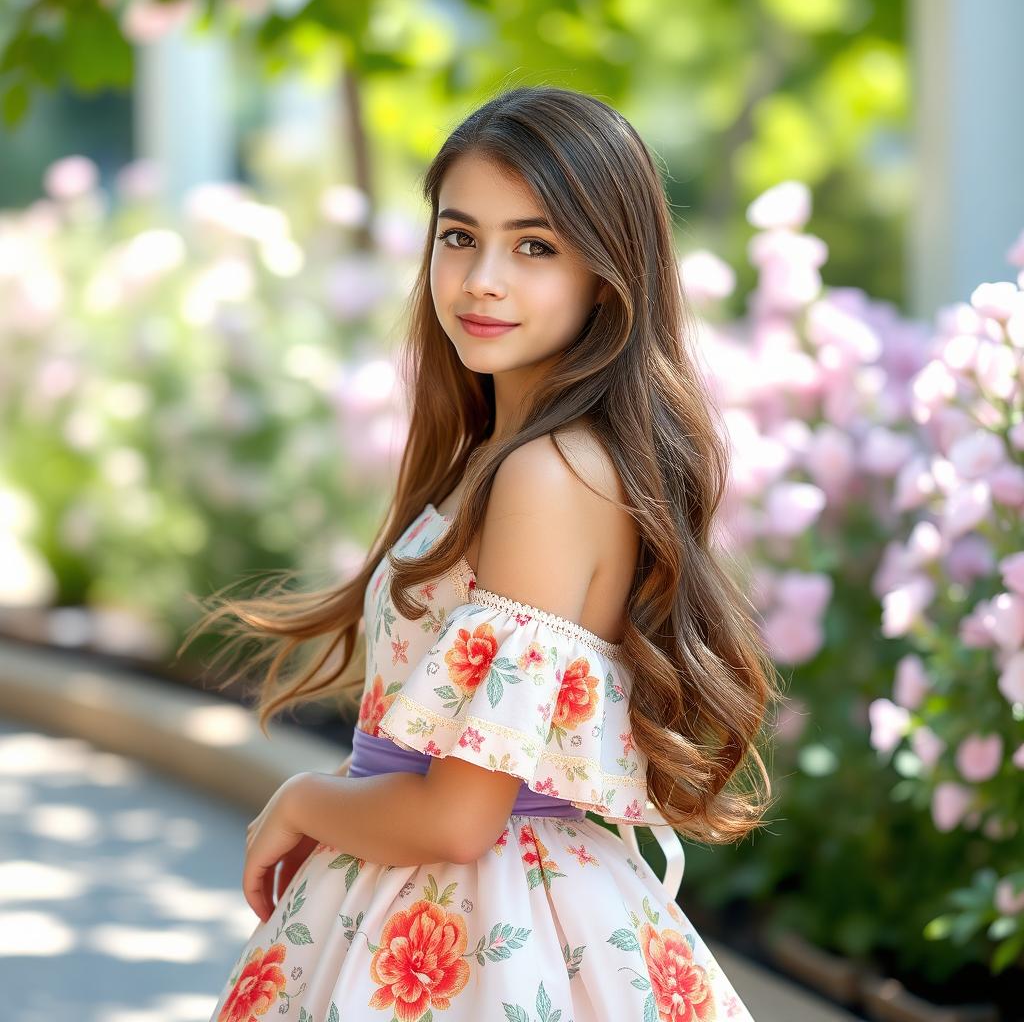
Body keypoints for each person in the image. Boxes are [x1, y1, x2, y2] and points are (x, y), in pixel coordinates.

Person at [189, 84, 782, 1022]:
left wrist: (303, 799)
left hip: (478, 928)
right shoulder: (508, 458)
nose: (481, 280)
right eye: (459, 235)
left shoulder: (547, 475)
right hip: (458, 899)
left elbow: (457, 817)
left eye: (535, 246)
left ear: (608, 275)